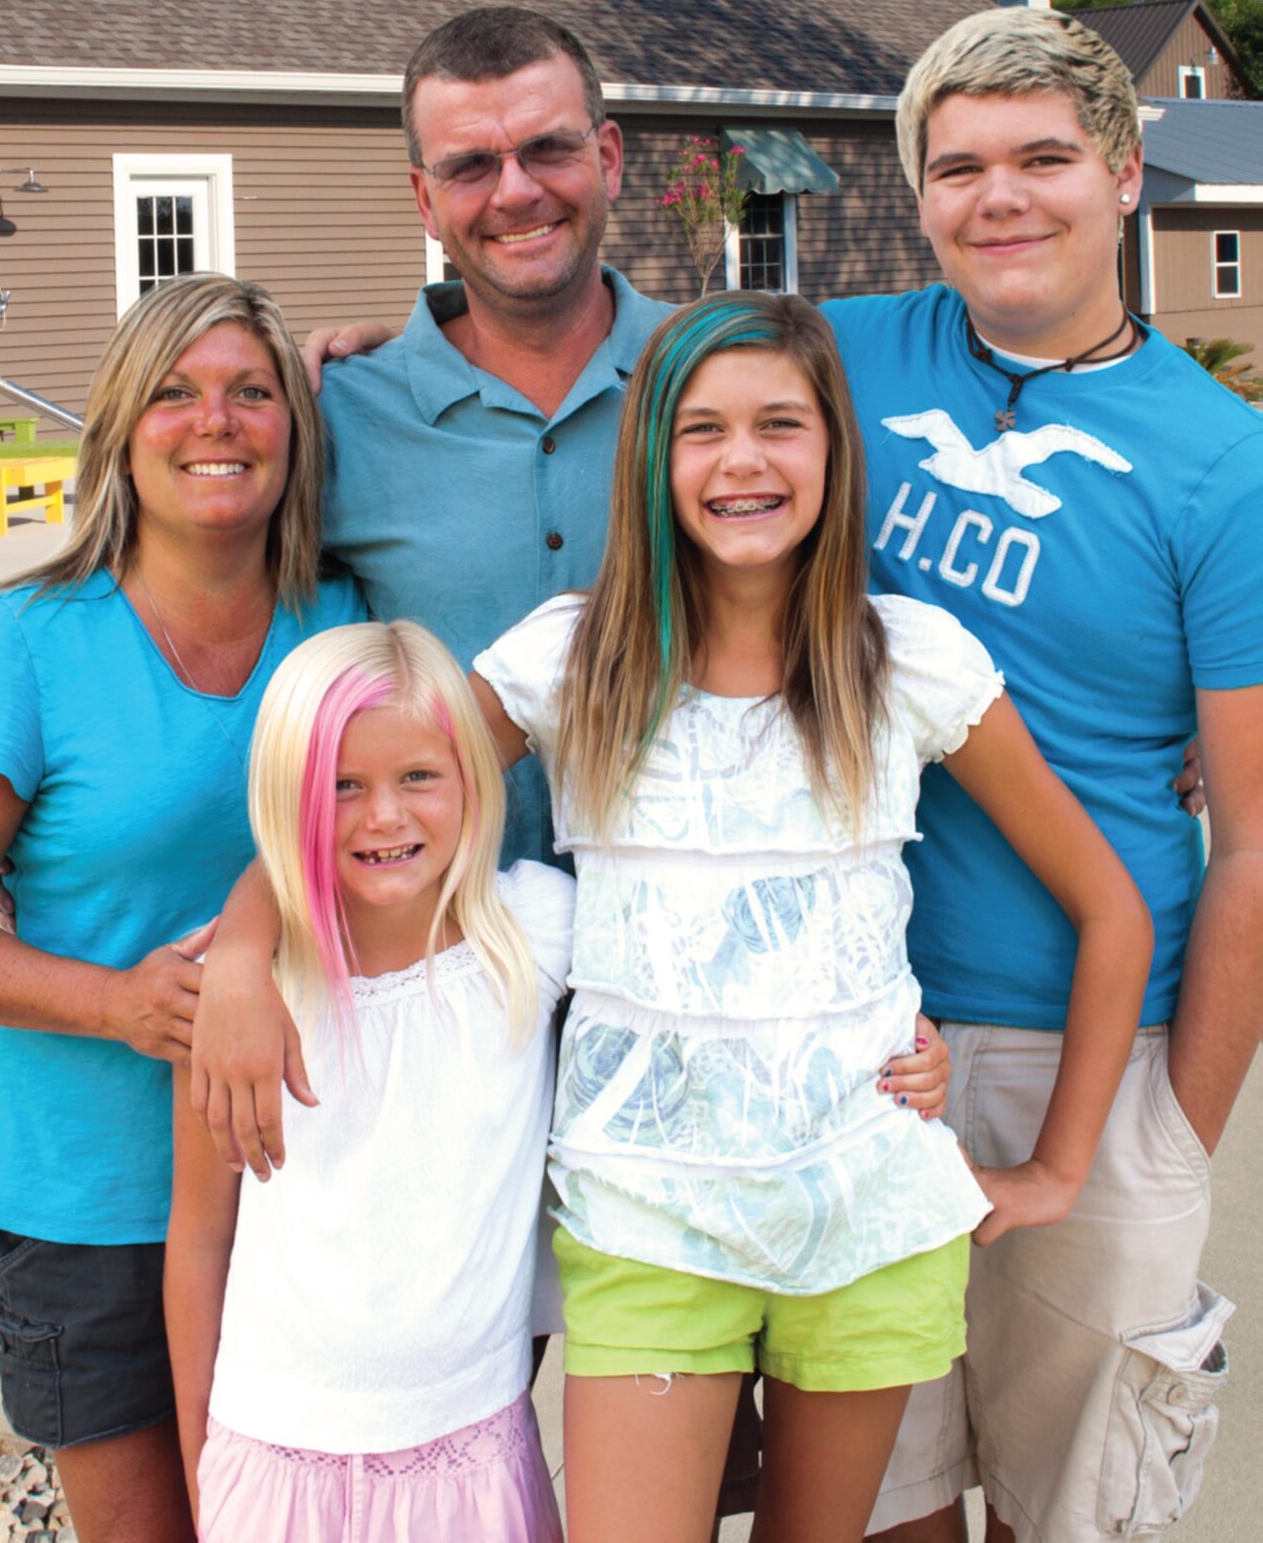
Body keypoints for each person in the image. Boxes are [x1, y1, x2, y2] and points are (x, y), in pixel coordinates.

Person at [199, 294, 1152, 1543]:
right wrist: (237, 949)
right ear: (653, 456)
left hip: (863, 1208)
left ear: (832, 451)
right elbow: (368, 801)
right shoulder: (571, 658)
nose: (742, 459)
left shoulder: (908, 661)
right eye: (701, 429)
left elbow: (1110, 909)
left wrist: (1057, 1168)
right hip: (647, 1212)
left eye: (780, 425)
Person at [836, 6, 1263, 1543]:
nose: (997, 197)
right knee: (874, 1501)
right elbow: (599, 346)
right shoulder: (837, 351)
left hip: (1084, 1044)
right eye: (955, 168)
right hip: (850, 1033)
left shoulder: (1222, 463)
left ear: (1124, 175)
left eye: (1040, 158)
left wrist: (1168, 1130)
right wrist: (357, 344)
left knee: (1067, 1511)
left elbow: (1256, 843)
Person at [0, 275, 367, 1543]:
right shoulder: (30, 640)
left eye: (251, 391)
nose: (217, 420)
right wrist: (119, 1000)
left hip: (303, 1180)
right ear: (119, 431)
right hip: (92, 1198)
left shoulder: (344, 621)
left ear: (294, 425)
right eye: (175, 392)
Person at [164, 620, 571, 1543]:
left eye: (417, 776)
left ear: (473, 773)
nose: (383, 815)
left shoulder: (537, 936)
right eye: (340, 788)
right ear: (286, 798)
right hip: (270, 1458)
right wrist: (203, 1465)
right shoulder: (242, 996)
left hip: (475, 1450)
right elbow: (198, 1238)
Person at [311, 3, 679, 867]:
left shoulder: (725, 384)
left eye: (548, 149)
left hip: (693, 957)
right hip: (445, 951)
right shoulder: (334, 417)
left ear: (609, 157)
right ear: (424, 201)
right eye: (471, 165)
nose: (515, 191)